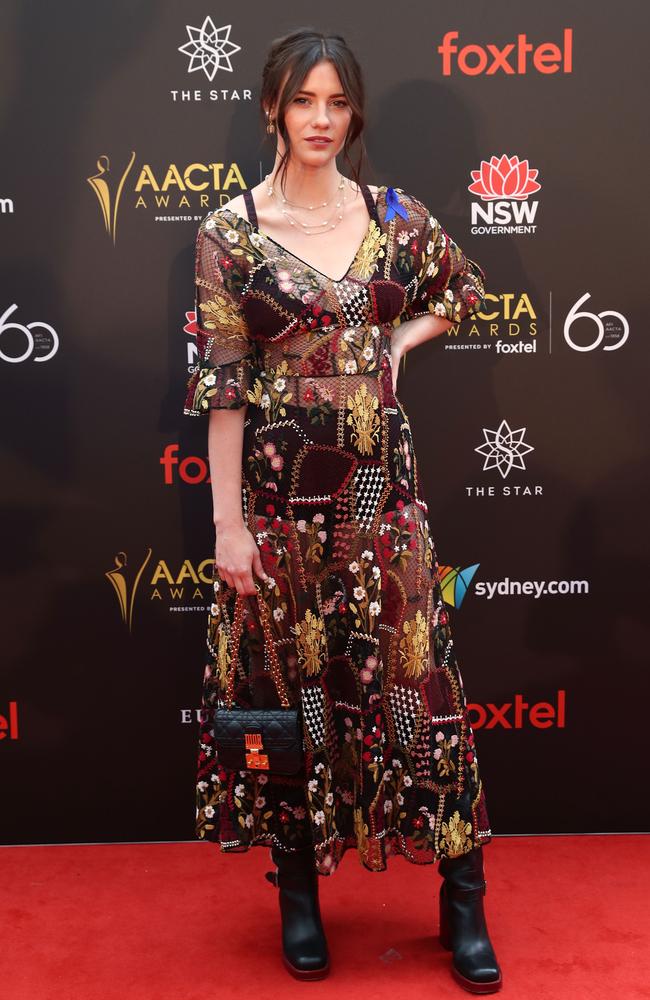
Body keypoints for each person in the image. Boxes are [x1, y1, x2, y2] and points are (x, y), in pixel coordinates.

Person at [185, 27, 502, 994]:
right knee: (291, 695)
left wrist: (398, 340)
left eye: (336, 103)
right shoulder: (227, 234)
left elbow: (466, 290)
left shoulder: (395, 215)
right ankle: (298, 894)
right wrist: (228, 527)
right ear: (272, 109)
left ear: (353, 111)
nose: (321, 121)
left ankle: (463, 898)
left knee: (422, 688)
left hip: (383, 494)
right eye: (302, 102)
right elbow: (222, 391)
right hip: (281, 507)